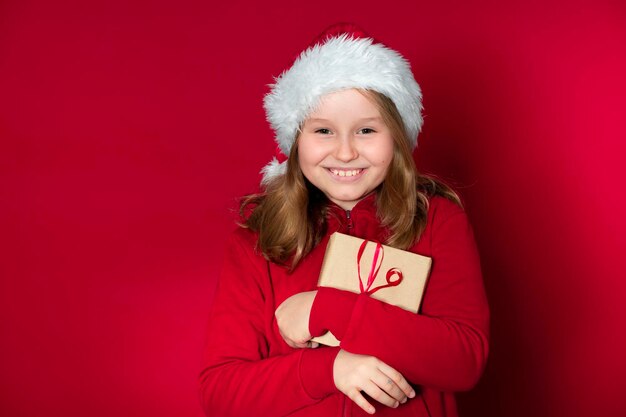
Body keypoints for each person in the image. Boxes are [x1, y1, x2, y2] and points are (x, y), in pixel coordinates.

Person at [199, 23, 489, 417]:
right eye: (324, 131)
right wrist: (330, 370)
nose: (347, 151)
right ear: (296, 141)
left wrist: (328, 309)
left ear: (397, 137)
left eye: (366, 130)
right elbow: (221, 394)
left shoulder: (437, 220)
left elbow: (464, 360)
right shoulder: (257, 239)